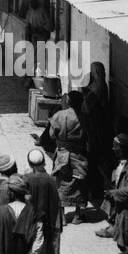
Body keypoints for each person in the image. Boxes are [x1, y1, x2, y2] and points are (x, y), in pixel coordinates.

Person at [43, 89, 90, 222]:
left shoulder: (59, 115)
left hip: (62, 154)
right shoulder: (85, 117)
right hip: (79, 154)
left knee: (61, 183)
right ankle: (77, 215)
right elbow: (89, 136)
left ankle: (62, 216)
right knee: (79, 182)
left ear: (68, 101)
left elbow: (52, 135)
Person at [25, 147, 64, 254]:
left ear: (30, 162)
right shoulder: (51, 180)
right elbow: (55, 203)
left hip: (31, 223)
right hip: (48, 223)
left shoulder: (26, 178)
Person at [97, 133, 128, 248]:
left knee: (127, 244)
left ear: (122, 148)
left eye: (115, 146)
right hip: (121, 211)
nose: (113, 148)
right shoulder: (121, 163)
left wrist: (114, 193)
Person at [83, 60, 115, 206]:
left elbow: (89, 106)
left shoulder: (99, 86)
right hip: (96, 124)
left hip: (96, 126)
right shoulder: (99, 84)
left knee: (94, 157)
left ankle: (96, 188)